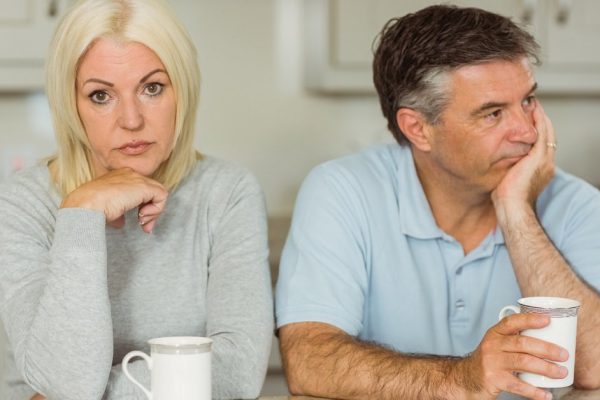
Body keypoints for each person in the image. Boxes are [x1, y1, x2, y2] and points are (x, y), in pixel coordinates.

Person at [275, 5, 600, 400]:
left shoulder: (576, 203)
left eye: (528, 101)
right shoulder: (343, 190)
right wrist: (461, 377)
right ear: (418, 128)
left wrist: (516, 211)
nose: (528, 131)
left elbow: (593, 367)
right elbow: (310, 361)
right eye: (493, 113)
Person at [0, 0, 273, 399]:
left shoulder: (227, 192)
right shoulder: (21, 204)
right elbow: (66, 382)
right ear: (70, 105)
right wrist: (82, 213)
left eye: (152, 88)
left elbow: (238, 375)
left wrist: (89, 392)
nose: (131, 120)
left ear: (184, 90)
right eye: (100, 96)